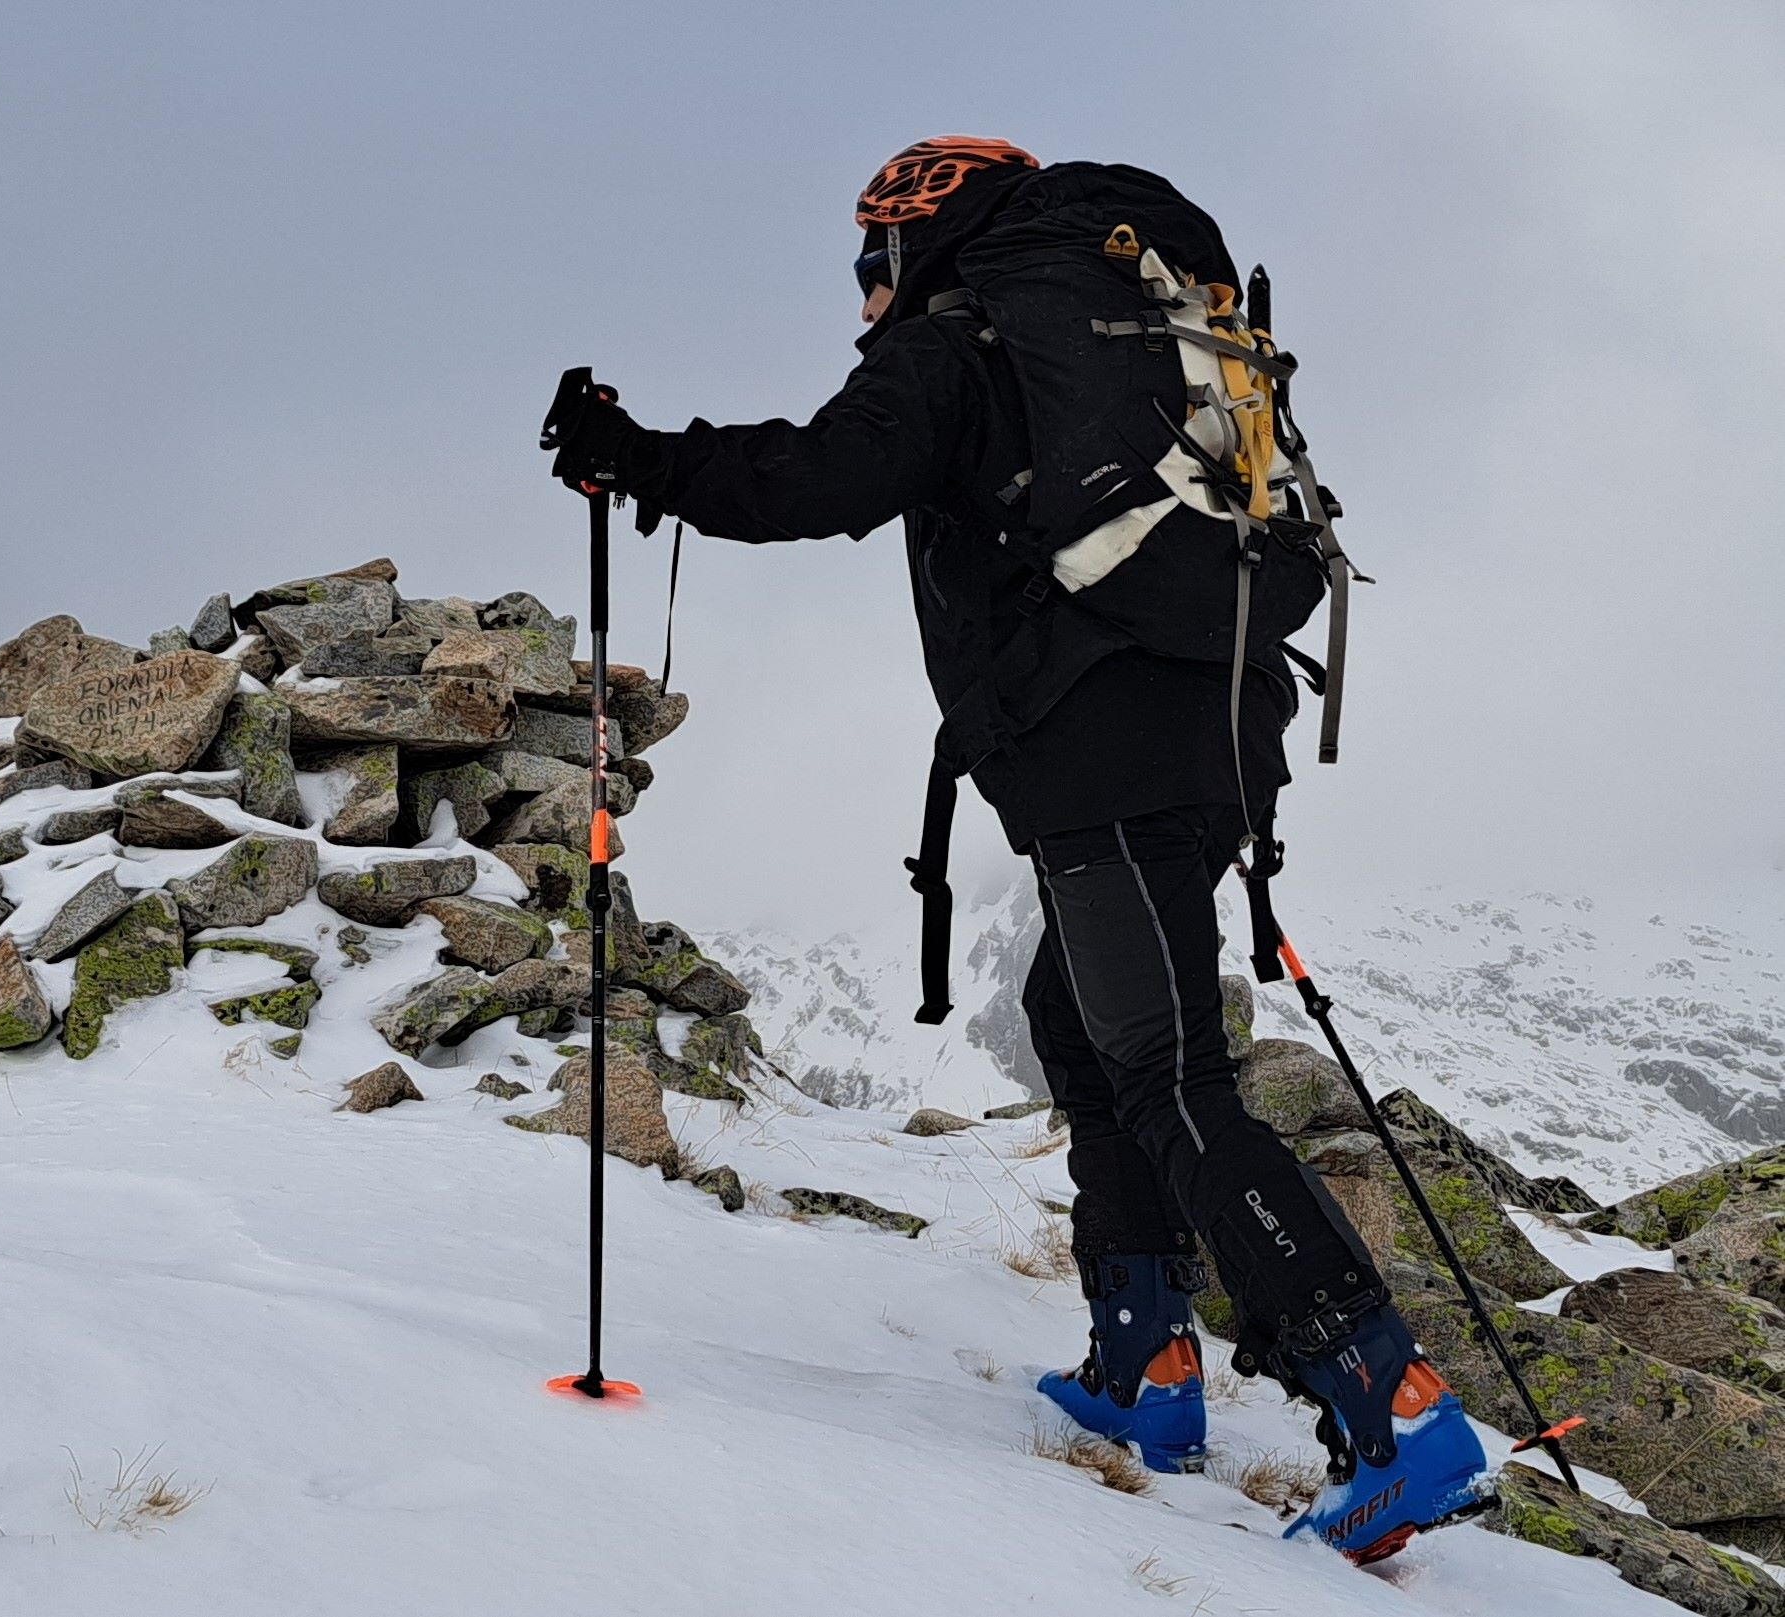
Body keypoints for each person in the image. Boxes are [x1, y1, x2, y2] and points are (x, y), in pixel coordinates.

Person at [542, 136, 1490, 1564]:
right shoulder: (1117, 329)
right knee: (1076, 1016)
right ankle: (1145, 1366)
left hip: (1104, 745)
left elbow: (816, 477)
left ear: (921, 243)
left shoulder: (962, 343)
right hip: (1214, 717)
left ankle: (1392, 1401)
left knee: (1170, 1075)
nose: (862, 297)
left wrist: (638, 459)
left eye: (872, 263)